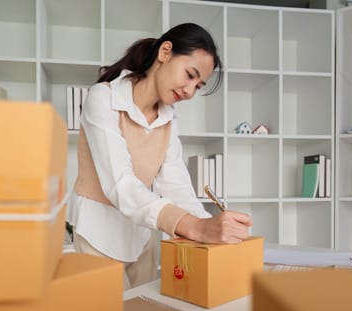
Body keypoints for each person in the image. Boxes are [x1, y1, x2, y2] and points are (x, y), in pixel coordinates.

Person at [67, 22, 252, 289]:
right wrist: (195, 227)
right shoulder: (102, 98)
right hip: (98, 234)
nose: (189, 91)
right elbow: (120, 184)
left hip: (141, 236)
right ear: (165, 52)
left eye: (198, 86)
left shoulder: (168, 118)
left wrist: (208, 225)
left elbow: (176, 186)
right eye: (190, 74)